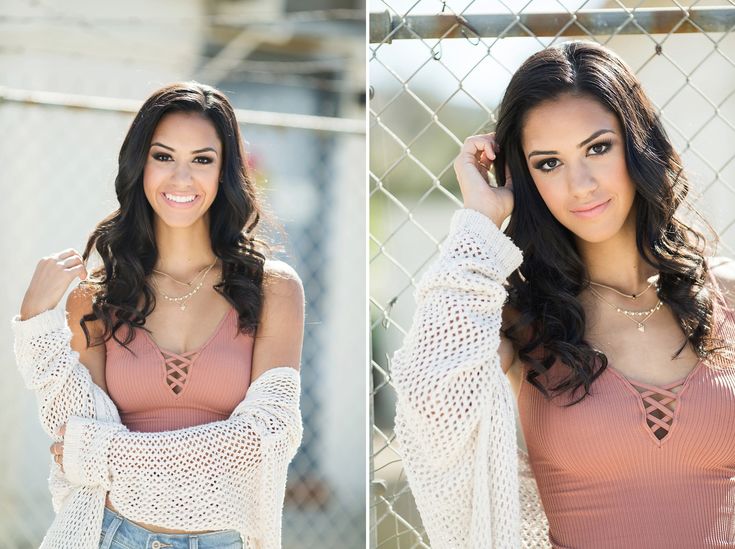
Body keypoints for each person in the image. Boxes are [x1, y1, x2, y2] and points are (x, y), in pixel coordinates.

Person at [391, 41, 735, 548]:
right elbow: (429, 401)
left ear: (638, 145)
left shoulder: (724, 292)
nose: (580, 184)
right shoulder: (517, 316)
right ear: (524, 177)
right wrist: (478, 226)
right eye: (548, 163)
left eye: (598, 148)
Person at [11, 82, 304, 549]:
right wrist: (32, 323)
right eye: (163, 156)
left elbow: (268, 435)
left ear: (225, 172)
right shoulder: (95, 298)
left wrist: (108, 452)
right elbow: (73, 433)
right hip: (110, 534)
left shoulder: (272, 289)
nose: (181, 179)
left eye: (202, 160)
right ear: (139, 166)